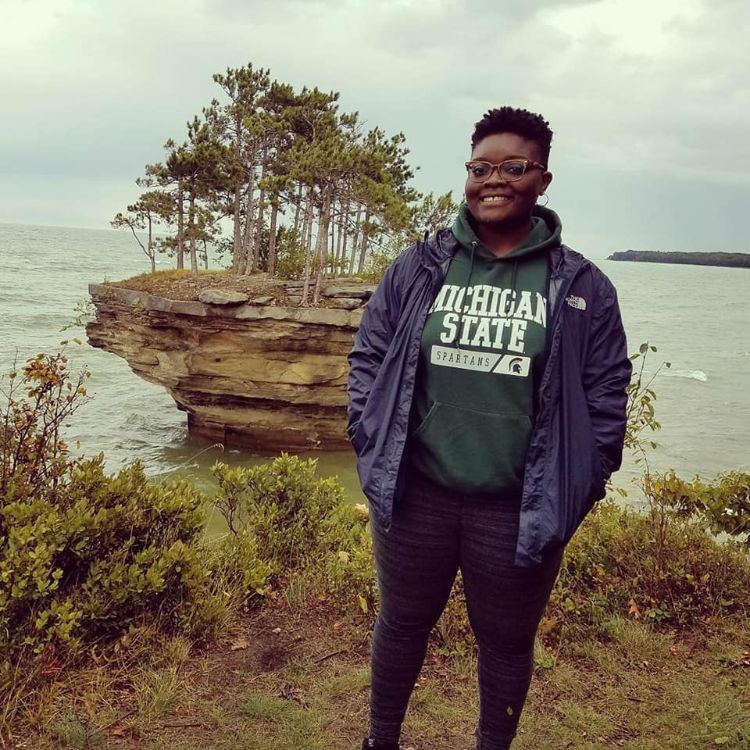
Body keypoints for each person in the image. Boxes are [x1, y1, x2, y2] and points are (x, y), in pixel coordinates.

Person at [347, 106, 631, 750]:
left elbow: (607, 395)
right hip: (415, 493)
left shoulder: (582, 285)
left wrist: (578, 483)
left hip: (518, 505)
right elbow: (369, 356)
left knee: (505, 642)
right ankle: (379, 740)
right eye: (480, 167)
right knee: (402, 623)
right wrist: (369, 441)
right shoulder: (419, 267)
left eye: (513, 167)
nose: (492, 179)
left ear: (543, 179)